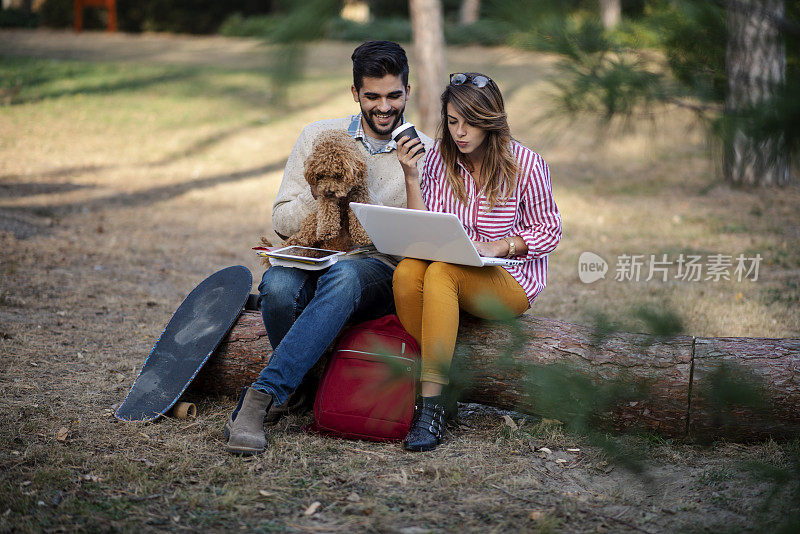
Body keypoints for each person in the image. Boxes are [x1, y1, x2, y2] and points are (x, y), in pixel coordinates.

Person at [225, 41, 433, 455]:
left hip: (377, 269)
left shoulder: (425, 150)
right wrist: (323, 191)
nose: (384, 107)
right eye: (372, 96)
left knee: (345, 274)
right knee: (279, 287)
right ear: (355, 93)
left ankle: (262, 396)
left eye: (394, 95)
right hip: (313, 254)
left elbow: (424, 239)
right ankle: (304, 387)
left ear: (408, 91)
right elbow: (281, 217)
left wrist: (411, 175)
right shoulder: (318, 136)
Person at [393, 72, 562, 452]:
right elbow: (426, 230)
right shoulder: (438, 158)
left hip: (509, 279)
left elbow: (550, 231)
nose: (460, 132)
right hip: (451, 266)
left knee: (441, 273)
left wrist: (500, 246)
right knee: (406, 272)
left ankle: (432, 404)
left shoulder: (526, 165)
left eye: (470, 123)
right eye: (452, 122)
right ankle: (448, 381)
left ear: (490, 121)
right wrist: (410, 178)